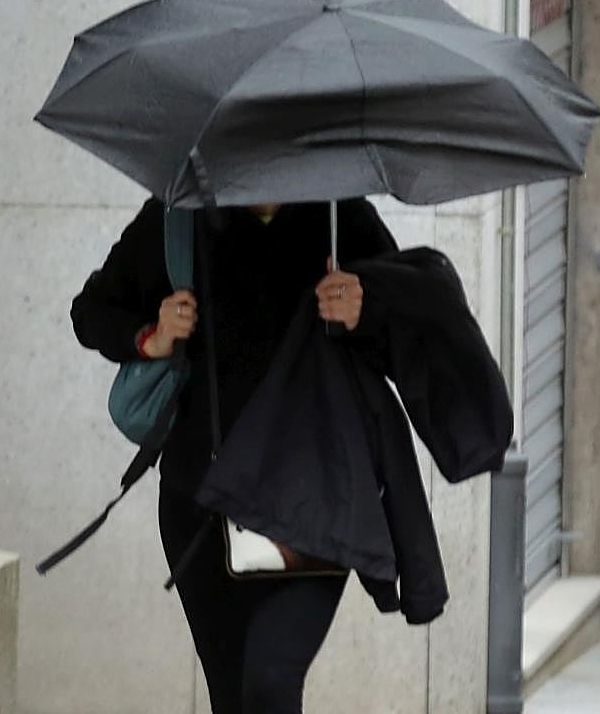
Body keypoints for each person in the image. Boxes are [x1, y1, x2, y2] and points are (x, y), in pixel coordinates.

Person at [70, 198, 396, 713]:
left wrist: (367, 308)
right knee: (232, 694)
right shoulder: (177, 217)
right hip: (200, 508)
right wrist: (151, 336)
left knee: (270, 685)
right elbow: (90, 311)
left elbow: (411, 330)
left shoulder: (341, 214)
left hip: (313, 506)